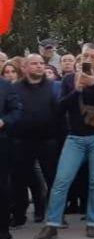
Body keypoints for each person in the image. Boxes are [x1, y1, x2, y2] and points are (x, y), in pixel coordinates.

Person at [34, 42, 94, 239]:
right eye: (85, 55)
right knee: (61, 181)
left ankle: (92, 222)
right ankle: (52, 224)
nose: (88, 59)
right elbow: (60, 108)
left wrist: (93, 86)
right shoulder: (70, 78)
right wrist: (78, 89)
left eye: (93, 56)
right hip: (75, 137)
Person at [9, 54, 60, 228]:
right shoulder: (14, 89)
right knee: (19, 180)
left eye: (41, 63)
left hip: (48, 140)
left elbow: (60, 112)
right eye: (34, 63)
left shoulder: (53, 87)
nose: (39, 66)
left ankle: (54, 215)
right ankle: (19, 214)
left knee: (53, 179)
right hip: (22, 141)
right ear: (24, 68)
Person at [0, 69, 23, 239]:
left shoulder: (5, 86)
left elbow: (16, 111)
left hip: (1, 141)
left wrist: (3, 121)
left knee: (2, 185)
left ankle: (2, 227)